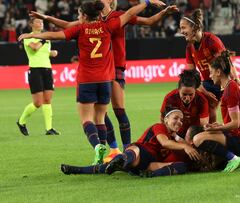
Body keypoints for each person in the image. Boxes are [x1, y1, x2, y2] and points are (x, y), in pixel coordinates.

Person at [18, 0, 165, 165]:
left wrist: (32, 34)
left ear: (84, 16)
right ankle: (112, 149)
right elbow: (131, 13)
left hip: (88, 79)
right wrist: (147, 2)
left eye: (79, 14)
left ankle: (101, 147)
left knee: (88, 119)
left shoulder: (81, 29)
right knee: (101, 117)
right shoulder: (108, 26)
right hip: (105, 78)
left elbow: (56, 34)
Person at [61, 108, 201, 178]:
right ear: (166, 120)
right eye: (176, 118)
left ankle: (148, 173)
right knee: (135, 150)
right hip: (138, 154)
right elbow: (164, 143)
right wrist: (184, 146)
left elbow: (174, 145)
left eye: (181, 120)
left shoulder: (175, 139)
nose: (179, 122)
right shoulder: (160, 127)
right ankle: (78, 169)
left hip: (147, 165)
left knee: (182, 166)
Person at [192, 50, 240, 173]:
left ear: (219, 72)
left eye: (211, 73)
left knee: (197, 139)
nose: (210, 76)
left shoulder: (230, 91)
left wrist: (215, 129)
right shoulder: (235, 85)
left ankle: (234, 158)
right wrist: (220, 126)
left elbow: (235, 124)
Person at [179, 9, 240, 123]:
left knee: (227, 114)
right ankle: (209, 133)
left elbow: (226, 63)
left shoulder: (211, 41)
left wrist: (236, 81)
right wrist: (205, 92)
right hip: (207, 83)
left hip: (222, 81)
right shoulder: (189, 47)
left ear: (194, 27)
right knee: (203, 106)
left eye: (183, 27)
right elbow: (191, 76)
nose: (181, 31)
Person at [16, 17, 60, 136]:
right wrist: (44, 40)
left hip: (47, 69)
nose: (41, 23)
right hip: (35, 70)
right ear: (31, 24)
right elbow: (35, 48)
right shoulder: (28, 36)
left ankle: (49, 129)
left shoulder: (45, 37)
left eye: (42, 22)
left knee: (47, 99)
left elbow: (44, 52)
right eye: (38, 22)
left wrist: (52, 53)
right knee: (37, 102)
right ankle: (21, 121)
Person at [160, 69, 209, 138]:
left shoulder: (202, 100)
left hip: (194, 134)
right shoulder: (170, 98)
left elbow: (204, 124)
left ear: (195, 90)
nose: (187, 98)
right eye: (184, 94)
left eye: (191, 94)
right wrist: (171, 136)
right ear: (179, 90)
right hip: (175, 133)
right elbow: (163, 118)